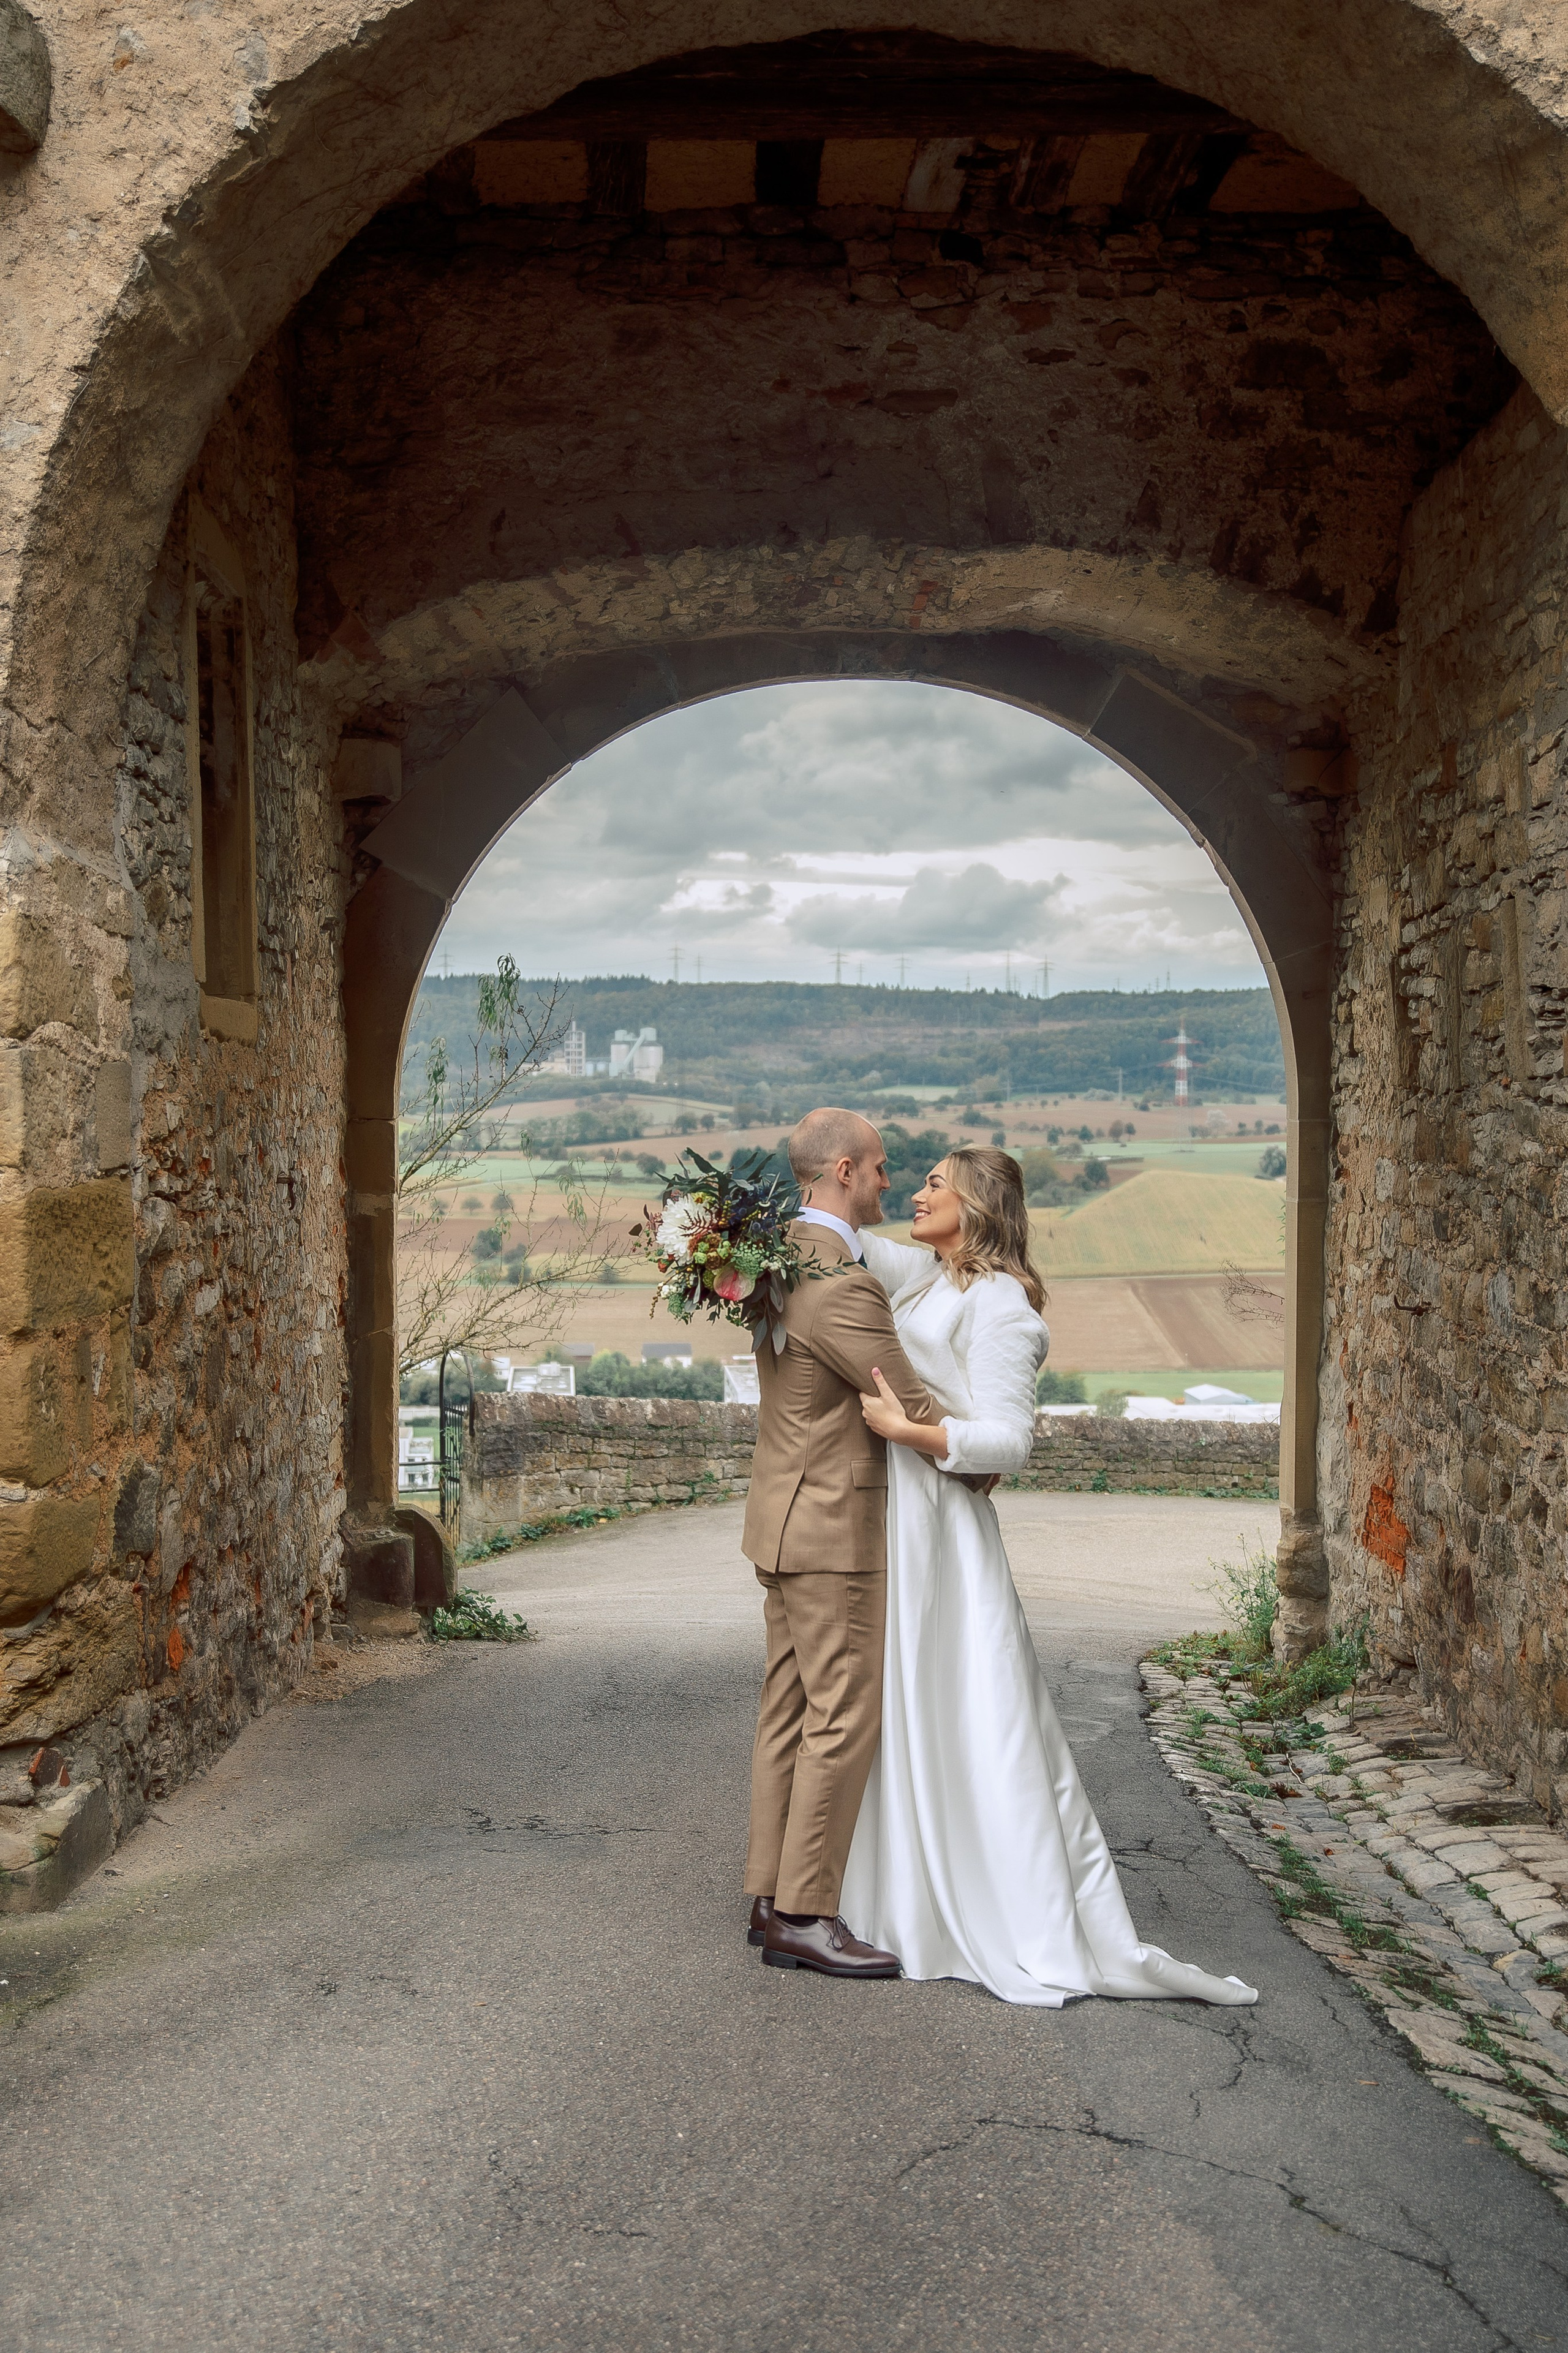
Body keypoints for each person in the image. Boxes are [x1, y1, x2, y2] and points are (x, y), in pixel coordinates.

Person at [840, 1146, 1258, 2009]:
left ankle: (997, 1911)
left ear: (977, 1203)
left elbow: (1008, 1442)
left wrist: (905, 1429)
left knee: (972, 1717)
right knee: (904, 1709)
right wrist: (708, 1231)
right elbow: (836, 1240)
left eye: (933, 1183)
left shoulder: (1002, 1306)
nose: (915, 1192)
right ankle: (898, 1894)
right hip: (900, 1524)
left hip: (946, 1537)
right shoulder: (928, 1275)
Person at [741, 1106, 941, 1977]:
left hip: (781, 1519)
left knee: (787, 1711)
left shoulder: (772, 1262)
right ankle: (806, 1911)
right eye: (883, 1168)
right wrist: (980, 1454)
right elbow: (905, 1399)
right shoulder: (842, 1284)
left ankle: (767, 1893)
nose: (891, 1183)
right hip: (831, 1526)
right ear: (846, 1170)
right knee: (842, 1714)